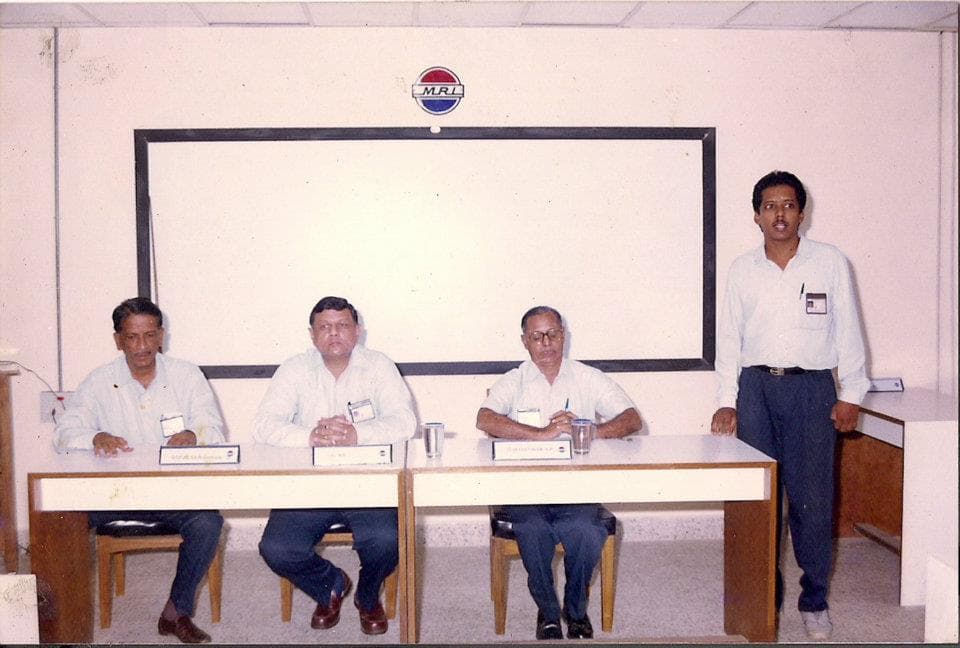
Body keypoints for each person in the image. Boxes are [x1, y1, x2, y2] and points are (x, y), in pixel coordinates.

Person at [710, 170, 870, 641]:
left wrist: (851, 395)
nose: (780, 214)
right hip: (755, 389)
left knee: (813, 502)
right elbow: (729, 342)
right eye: (770, 206)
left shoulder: (830, 263)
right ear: (757, 216)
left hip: (811, 392)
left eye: (789, 205)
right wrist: (727, 401)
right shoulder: (742, 269)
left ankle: (814, 599)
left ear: (802, 212)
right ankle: (765, 596)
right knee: (758, 499)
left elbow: (849, 332)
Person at [53, 297, 225, 644]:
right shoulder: (99, 380)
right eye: (132, 337)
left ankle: (176, 612)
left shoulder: (186, 375)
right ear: (118, 340)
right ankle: (64, 617)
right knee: (62, 518)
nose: (142, 346)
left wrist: (195, 434)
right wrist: (95, 436)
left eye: (150, 336)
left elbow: (214, 429)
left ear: (161, 335)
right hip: (116, 494)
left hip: (171, 492)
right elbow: (64, 434)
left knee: (209, 521)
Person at [476, 306, 641, 640]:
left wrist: (590, 430)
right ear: (525, 342)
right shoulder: (515, 379)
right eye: (537, 337)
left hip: (575, 487)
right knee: (534, 532)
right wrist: (541, 433)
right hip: (524, 488)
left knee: (585, 530)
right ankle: (548, 612)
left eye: (552, 334)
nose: (546, 342)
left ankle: (575, 609)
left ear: (564, 335)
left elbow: (631, 418)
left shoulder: (586, 376)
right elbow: (485, 418)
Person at [253, 296, 416, 635]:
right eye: (324, 327)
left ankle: (368, 598)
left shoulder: (379, 366)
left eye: (342, 326)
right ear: (312, 335)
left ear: (358, 331)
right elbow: (264, 426)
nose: (334, 334)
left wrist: (357, 434)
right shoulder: (294, 369)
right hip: (310, 486)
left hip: (368, 485)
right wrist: (309, 436)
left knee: (387, 540)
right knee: (276, 548)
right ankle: (331, 584)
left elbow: (405, 422)